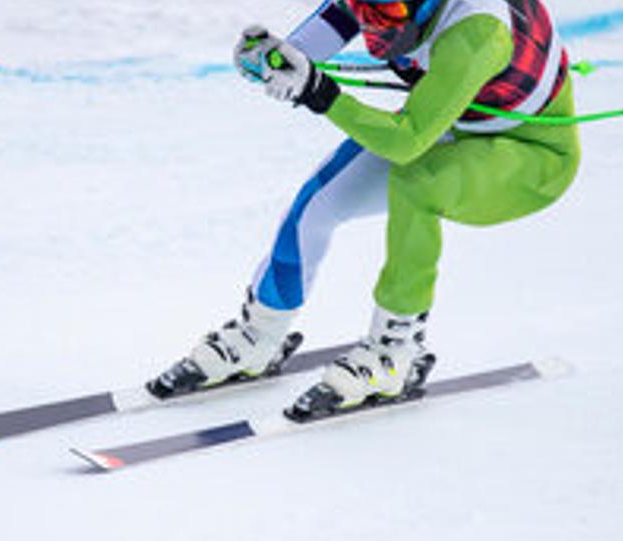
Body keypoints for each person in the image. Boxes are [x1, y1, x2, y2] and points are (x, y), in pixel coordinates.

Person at [154, 0, 581, 416]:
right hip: (450, 122)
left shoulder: (479, 27)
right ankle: (260, 334)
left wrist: (317, 91)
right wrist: (275, 58)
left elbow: (406, 141)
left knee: (419, 185)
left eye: (386, 11)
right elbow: (336, 23)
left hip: (531, 156)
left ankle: (396, 351)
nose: (374, 25)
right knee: (319, 201)